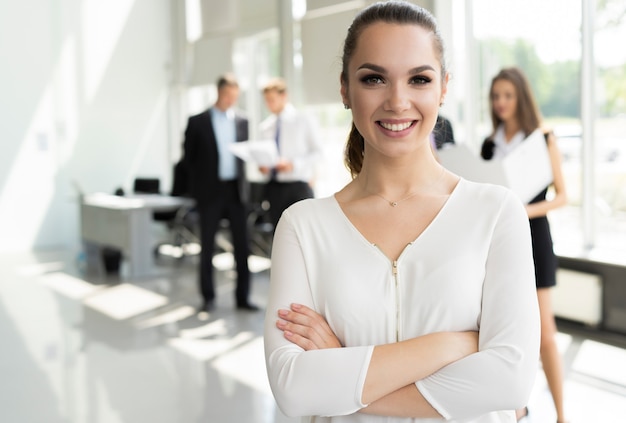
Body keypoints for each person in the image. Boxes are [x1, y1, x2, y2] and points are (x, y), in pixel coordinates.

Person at [264, 2, 540, 422]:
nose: (397, 100)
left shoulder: (496, 212)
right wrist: (451, 345)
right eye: (374, 78)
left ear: (443, 88)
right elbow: (294, 389)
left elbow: (510, 382)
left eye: (419, 79)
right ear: (344, 88)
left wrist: (342, 370)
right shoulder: (303, 227)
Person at [480, 67, 568, 423]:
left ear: (521, 98)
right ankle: (517, 407)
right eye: (496, 96)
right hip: (498, 239)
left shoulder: (542, 138)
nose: (501, 103)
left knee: (545, 332)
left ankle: (562, 415)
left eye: (508, 95)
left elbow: (562, 196)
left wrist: (520, 208)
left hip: (534, 236)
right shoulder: (489, 144)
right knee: (504, 328)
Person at [183, 73, 259, 312]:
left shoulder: (242, 121)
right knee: (207, 245)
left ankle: (243, 298)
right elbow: (189, 159)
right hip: (210, 192)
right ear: (218, 92)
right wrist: (198, 189)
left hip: (236, 191)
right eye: (227, 95)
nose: (230, 100)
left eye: (234, 96)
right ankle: (208, 297)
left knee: (242, 246)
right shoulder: (198, 121)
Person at [257, 77, 323, 229]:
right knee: (278, 233)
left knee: (304, 233)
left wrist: (293, 165)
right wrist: (264, 167)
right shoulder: (265, 127)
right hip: (274, 188)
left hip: (298, 187)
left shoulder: (303, 120)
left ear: (284, 96)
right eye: (266, 100)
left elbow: (318, 153)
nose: (269, 104)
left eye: (272, 99)